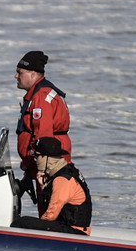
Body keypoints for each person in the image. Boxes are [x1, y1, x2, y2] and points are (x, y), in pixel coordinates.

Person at [15, 50, 72, 213]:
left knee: (49, 208)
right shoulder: (40, 94)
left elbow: (43, 138)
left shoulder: (41, 97)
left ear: (33, 74)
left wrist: (34, 164)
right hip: (43, 164)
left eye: (20, 73)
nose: (16, 77)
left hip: (48, 166)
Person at [11, 137, 92, 235]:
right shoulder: (64, 171)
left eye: (36, 155)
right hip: (70, 227)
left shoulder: (62, 180)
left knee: (22, 222)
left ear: (47, 158)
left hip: (74, 232)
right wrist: (42, 187)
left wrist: (37, 228)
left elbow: (50, 215)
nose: (34, 159)